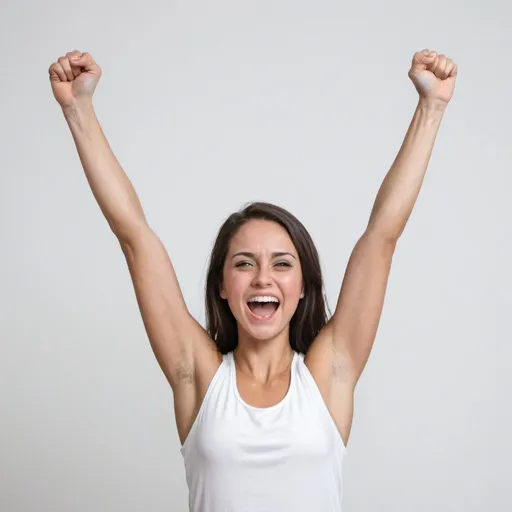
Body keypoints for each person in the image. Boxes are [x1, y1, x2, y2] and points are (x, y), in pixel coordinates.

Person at [49, 47, 458, 511]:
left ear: (303, 286)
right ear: (222, 284)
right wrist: (77, 108)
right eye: (244, 263)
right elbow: (134, 239)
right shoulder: (198, 375)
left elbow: (382, 236)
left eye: (282, 264)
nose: (263, 278)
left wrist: (432, 107)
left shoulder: (329, 374)